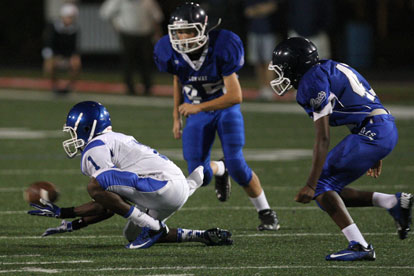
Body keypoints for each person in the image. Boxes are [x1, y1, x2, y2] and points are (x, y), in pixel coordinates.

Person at [268, 37, 413, 261]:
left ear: (295, 67)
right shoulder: (330, 66)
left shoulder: (311, 82)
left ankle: (360, 245)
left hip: (372, 132)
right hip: (381, 127)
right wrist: (375, 147)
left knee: (321, 186)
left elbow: (323, 138)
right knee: (327, 189)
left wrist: (310, 183)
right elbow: (356, 104)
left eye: (282, 70)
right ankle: (393, 202)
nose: (279, 76)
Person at [27, 101, 233, 249]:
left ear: (88, 128)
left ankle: (153, 227)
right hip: (174, 185)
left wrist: (63, 212)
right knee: (131, 233)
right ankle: (201, 235)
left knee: (96, 184)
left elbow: (103, 191)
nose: (73, 137)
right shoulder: (115, 139)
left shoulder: (95, 148)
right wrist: (73, 222)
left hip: (161, 186)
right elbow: (110, 205)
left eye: (74, 131)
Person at [153, 2, 280, 231]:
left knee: (238, 164)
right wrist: (176, 115)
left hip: (224, 110)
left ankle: (266, 212)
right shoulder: (170, 51)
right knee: (199, 175)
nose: (183, 37)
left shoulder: (222, 46)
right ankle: (220, 169)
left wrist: (197, 108)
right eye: (179, 31)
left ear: (202, 29)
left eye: (189, 31)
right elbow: (178, 78)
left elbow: (235, 96)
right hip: (196, 112)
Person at [100, 0, 164, 96]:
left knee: (145, 61)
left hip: (145, 35)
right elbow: (105, 13)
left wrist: (157, 33)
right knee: (128, 61)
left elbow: (156, 17)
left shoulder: (148, 1)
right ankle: (129, 87)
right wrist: (116, 26)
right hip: (127, 34)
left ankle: (147, 86)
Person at [42, 2, 81, 95]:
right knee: (49, 64)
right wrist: (51, 57)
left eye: (72, 17)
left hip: (67, 56)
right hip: (55, 56)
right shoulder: (53, 27)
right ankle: (54, 85)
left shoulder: (74, 29)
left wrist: (72, 57)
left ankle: (70, 86)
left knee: (76, 62)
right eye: (68, 17)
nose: (70, 19)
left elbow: (74, 48)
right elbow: (48, 45)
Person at [243, 0, 279, 100]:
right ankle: (263, 88)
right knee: (257, 61)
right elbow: (248, 12)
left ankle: (269, 89)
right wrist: (261, 9)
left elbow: (272, 7)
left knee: (269, 61)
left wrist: (256, 10)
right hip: (253, 31)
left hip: (269, 31)